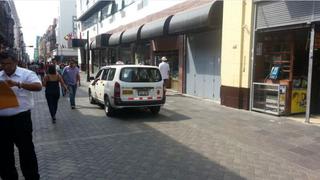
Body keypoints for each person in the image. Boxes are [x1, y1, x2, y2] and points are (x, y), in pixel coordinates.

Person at [0, 49, 42, 180]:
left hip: (21, 119)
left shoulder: (26, 73)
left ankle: (32, 177)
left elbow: (38, 86)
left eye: (9, 63)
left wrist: (18, 84)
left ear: (15, 62)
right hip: (2, 121)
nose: (6, 66)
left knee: (26, 151)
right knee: (4, 154)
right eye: (3, 64)